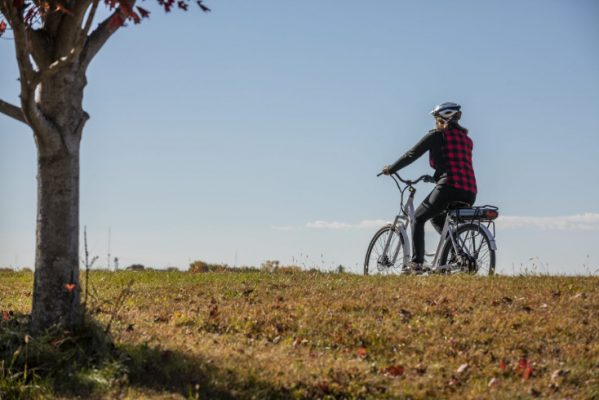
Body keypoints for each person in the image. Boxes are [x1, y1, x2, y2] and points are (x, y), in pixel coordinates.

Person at [381, 102, 477, 274]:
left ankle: (416, 264)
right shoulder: (467, 140)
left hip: (449, 186)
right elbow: (455, 163)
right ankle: (458, 255)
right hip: (470, 191)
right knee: (437, 219)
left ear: (441, 119)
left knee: (417, 218)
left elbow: (412, 154)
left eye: (436, 119)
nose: (435, 122)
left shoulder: (437, 135)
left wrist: (391, 168)